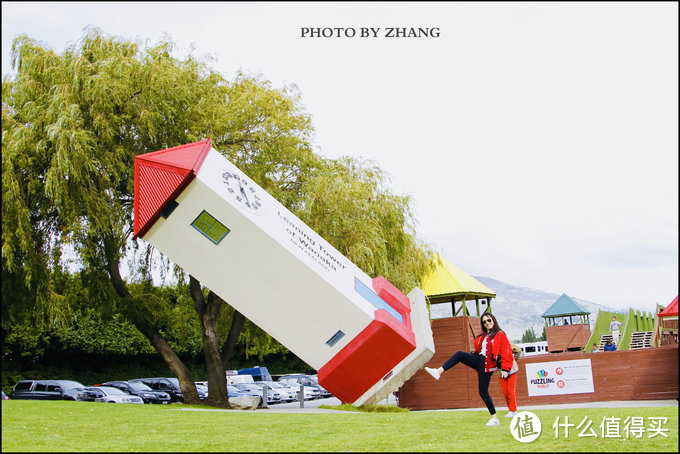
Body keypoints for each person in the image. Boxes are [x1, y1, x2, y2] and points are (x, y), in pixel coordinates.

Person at [424, 312, 514, 426]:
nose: (487, 323)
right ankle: (438, 372)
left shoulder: (500, 334)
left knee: (483, 392)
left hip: (487, 366)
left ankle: (495, 419)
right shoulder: (485, 336)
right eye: (484, 322)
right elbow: (479, 349)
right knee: (459, 354)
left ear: (494, 320)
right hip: (478, 359)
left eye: (489, 320)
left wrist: (505, 369)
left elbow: (506, 352)